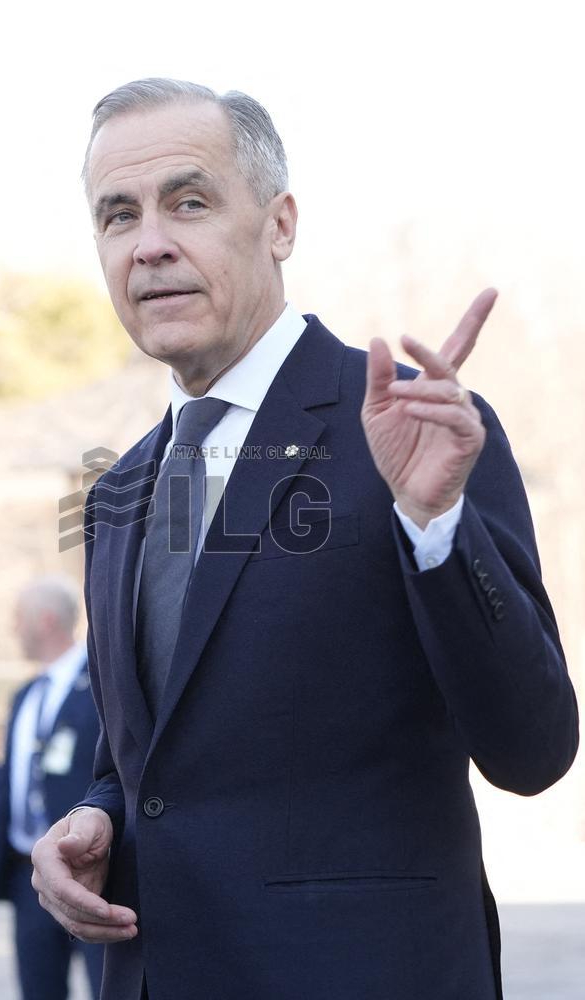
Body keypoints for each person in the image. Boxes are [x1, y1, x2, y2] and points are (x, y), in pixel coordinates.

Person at [29, 79, 579, 1000]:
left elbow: (534, 748)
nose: (149, 242)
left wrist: (436, 525)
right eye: (118, 216)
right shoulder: (117, 490)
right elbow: (142, 765)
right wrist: (93, 817)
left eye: (189, 202)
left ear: (279, 225)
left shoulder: (414, 432)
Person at [0, 576, 104, 1000]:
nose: (12, 628)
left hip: (93, 872)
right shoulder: (25, 697)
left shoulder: (103, 682)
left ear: (45, 620)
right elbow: (4, 790)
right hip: (28, 876)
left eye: (17, 618)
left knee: (108, 988)